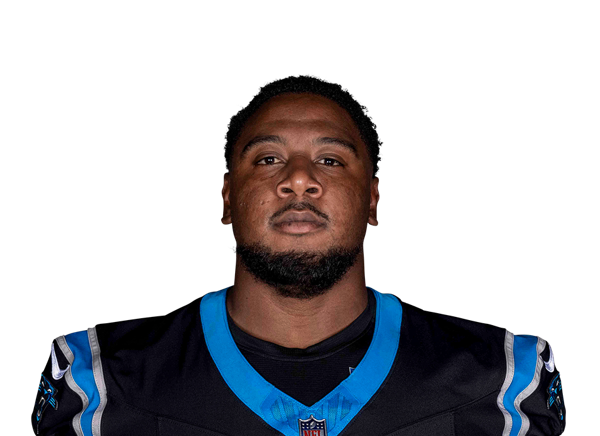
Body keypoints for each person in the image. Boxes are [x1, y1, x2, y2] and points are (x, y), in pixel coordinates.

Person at [31, 74, 566, 435]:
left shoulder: (506, 379)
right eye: (268, 159)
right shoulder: (95, 379)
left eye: (331, 160)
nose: (299, 180)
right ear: (226, 198)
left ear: (373, 199)